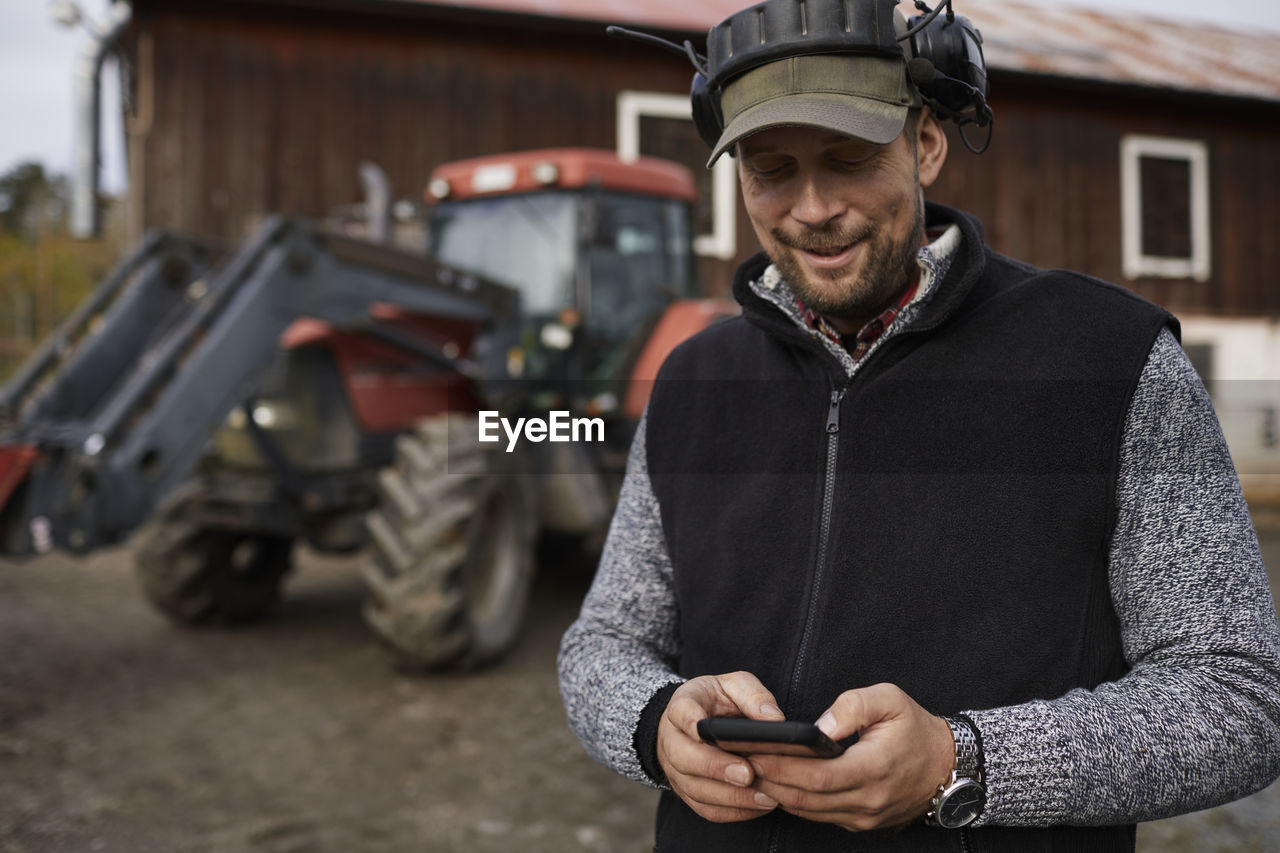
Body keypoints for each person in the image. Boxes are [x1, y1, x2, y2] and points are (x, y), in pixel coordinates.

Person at [558, 1, 1280, 850]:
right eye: (771, 168)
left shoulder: (1112, 360)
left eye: (850, 157)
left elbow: (1241, 700)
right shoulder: (688, 382)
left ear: (926, 143)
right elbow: (602, 643)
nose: (813, 206)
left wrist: (961, 761)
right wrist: (654, 723)